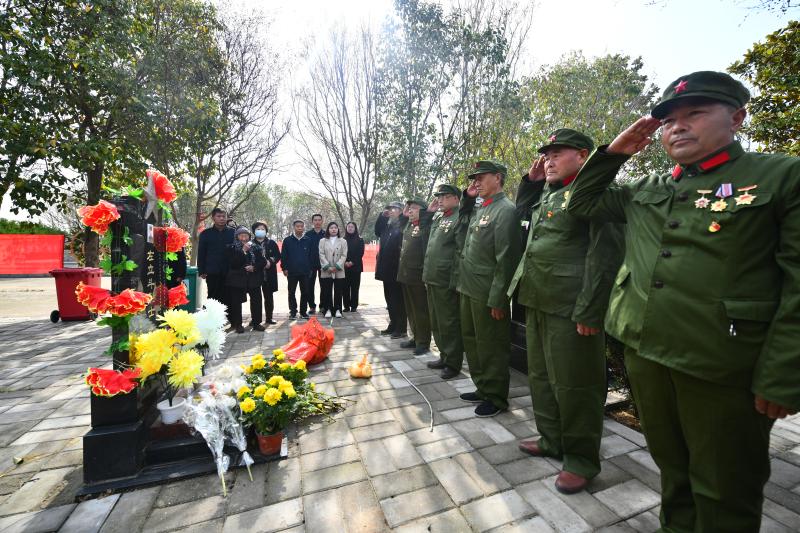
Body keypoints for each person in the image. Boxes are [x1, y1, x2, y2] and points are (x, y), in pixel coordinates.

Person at [566, 71, 800, 531]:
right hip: (646, 354)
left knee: (725, 486)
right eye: (669, 120)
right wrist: (612, 154)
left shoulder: (780, 175)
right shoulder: (648, 187)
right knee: (672, 469)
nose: (678, 126)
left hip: (724, 363)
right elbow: (582, 204)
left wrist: (783, 374)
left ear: (736, 118)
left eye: (695, 113)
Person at [508, 129, 624, 494]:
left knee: (577, 386)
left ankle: (581, 460)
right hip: (538, 298)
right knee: (541, 377)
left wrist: (590, 309)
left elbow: (605, 256)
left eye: (558, 153)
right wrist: (529, 183)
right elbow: (522, 217)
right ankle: (551, 439)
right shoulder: (550, 193)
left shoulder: (598, 194)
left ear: (583, 155)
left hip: (572, 307)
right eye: (547, 154)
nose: (549, 160)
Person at [457, 160, 522, 417]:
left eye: (481, 177)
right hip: (469, 287)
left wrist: (498, 299)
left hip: (487, 292)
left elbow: (507, 259)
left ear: (498, 177)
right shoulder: (482, 208)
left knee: (491, 345)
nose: (476, 182)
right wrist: (467, 198)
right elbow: (462, 220)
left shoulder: (505, 210)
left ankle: (496, 397)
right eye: (474, 178)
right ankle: (483, 387)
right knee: (473, 342)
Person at [422, 184, 474, 379]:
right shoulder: (439, 217)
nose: (440, 200)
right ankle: (444, 356)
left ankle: (453, 362)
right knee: (436, 320)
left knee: (449, 322)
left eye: (444, 196)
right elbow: (427, 240)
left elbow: (460, 251)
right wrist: (428, 214)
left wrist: (455, 281)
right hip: (433, 277)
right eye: (439, 196)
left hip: (445, 279)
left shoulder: (459, 217)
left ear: (456, 198)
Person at [397, 198, 434, 355]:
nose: (410, 210)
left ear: (423, 211)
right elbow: (401, 224)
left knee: (420, 310)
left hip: (417, 275)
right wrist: (405, 213)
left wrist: (426, 215)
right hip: (406, 274)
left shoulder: (427, 226)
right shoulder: (410, 225)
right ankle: (415, 337)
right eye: (409, 208)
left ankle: (423, 342)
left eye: (414, 208)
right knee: (411, 310)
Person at [375, 201, 408, 338]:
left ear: (401, 211)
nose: (391, 211)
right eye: (389, 208)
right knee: (389, 300)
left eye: (394, 208)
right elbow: (377, 231)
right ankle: (393, 324)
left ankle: (401, 328)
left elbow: (404, 222)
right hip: (386, 269)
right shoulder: (388, 226)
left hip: (397, 269)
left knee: (398, 300)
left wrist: (402, 216)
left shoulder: (403, 224)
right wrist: (382, 216)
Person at [225, 226, 266, 333]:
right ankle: (238, 324)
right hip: (237, 280)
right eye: (241, 236)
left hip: (253, 279)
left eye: (246, 236)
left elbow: (263, 262)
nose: (244, 238)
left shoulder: (256, 247)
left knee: (256, 301)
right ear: (237, 236)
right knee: (236, 302)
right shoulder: (231, 248)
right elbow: (233, 264)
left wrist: (254, 267)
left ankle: (256, 323)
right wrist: (243, 251)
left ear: (249, 236)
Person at [197, 207, 235, 316]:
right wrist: (201, 270)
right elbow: (201, 253)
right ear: (213, 218)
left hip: (230, 271)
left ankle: (230, 319)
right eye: (219, 216)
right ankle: (213, 319)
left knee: (229, 296)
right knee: (213, 296)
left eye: (224, 216)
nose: (222, 218)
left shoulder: (233, 232)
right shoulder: (205, 234)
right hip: (212, 271)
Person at [281, 220, 314, 320]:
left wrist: (310, 268)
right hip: (292, 271)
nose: (299, 228)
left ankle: (303, 312)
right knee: (291, 292)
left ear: (304, 227)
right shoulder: (287, 240)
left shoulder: (308, 240)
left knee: (305, 292)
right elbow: (284, 255)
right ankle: (293, 312)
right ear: (293, 227)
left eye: (301, 226)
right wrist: (284, 268)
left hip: (305, 271)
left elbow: (311, 256)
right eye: (297, 226)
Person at [252, 221, 281, 326]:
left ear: (266, 231)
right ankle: (255, 319)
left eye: (262, 229)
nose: (260, 231)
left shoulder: (271, 243)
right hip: (255, 274)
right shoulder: (251, 244)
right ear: (254, 231)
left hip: (268, 275)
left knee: (268, 297)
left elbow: (277, 255)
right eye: (258, 229)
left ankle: (269, 318)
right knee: (255, 299)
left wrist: (270, 261)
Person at [319, 221, 348, 318]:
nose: (333, 229)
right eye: (331, 228)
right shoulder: (322, 241)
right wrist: (328, 267)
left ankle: (338, 309)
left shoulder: (343, 241)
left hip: (338, 270)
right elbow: (321, 254)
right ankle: (328, 309)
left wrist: (337, 266)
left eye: (335, 227)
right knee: (327, 290)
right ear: (328, 229)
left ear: (338, 229)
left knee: (338, 290)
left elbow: (344, 255)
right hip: (327, 270)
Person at [305, 214, 325, 315]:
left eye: (319, 220)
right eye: (315, 220)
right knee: (309, 286)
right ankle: (312, 306)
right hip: (310, 264)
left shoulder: (326, 234)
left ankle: (323, 306)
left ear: (322, 221)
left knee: (324, 286)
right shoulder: (308, 234)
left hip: (324, 264)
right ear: (312, 222)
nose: (317, 222)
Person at [343, 222, 364, 312]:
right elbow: (340, 253)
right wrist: (345, 262)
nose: (350, 228)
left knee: (355, 287)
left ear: (355, 228)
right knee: (345, 287)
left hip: (356, 267)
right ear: (346, 228)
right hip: (344, 267)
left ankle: (354, 306)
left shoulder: (360, 240)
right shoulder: (342, 240)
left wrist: (352, 262)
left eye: (352, 227)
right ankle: (346, 306)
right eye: (349, 227)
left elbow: (360, 253)